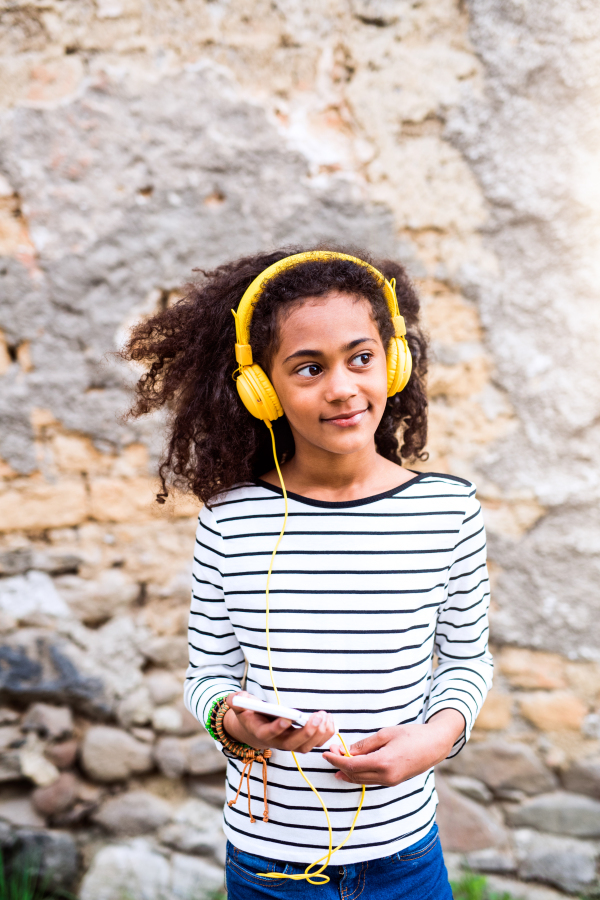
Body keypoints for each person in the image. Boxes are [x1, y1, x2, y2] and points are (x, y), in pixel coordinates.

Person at [122, 248, 493, 899]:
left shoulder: (449, 511)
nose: (343, 387)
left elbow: (466, 662)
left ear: (394, 360)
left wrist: (432, 742)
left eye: (360, 358)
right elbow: (205, 678)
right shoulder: (231, 522)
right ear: (260, 390)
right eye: (308, 368)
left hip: (406, 857)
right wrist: (236, 724)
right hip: (270, 866)